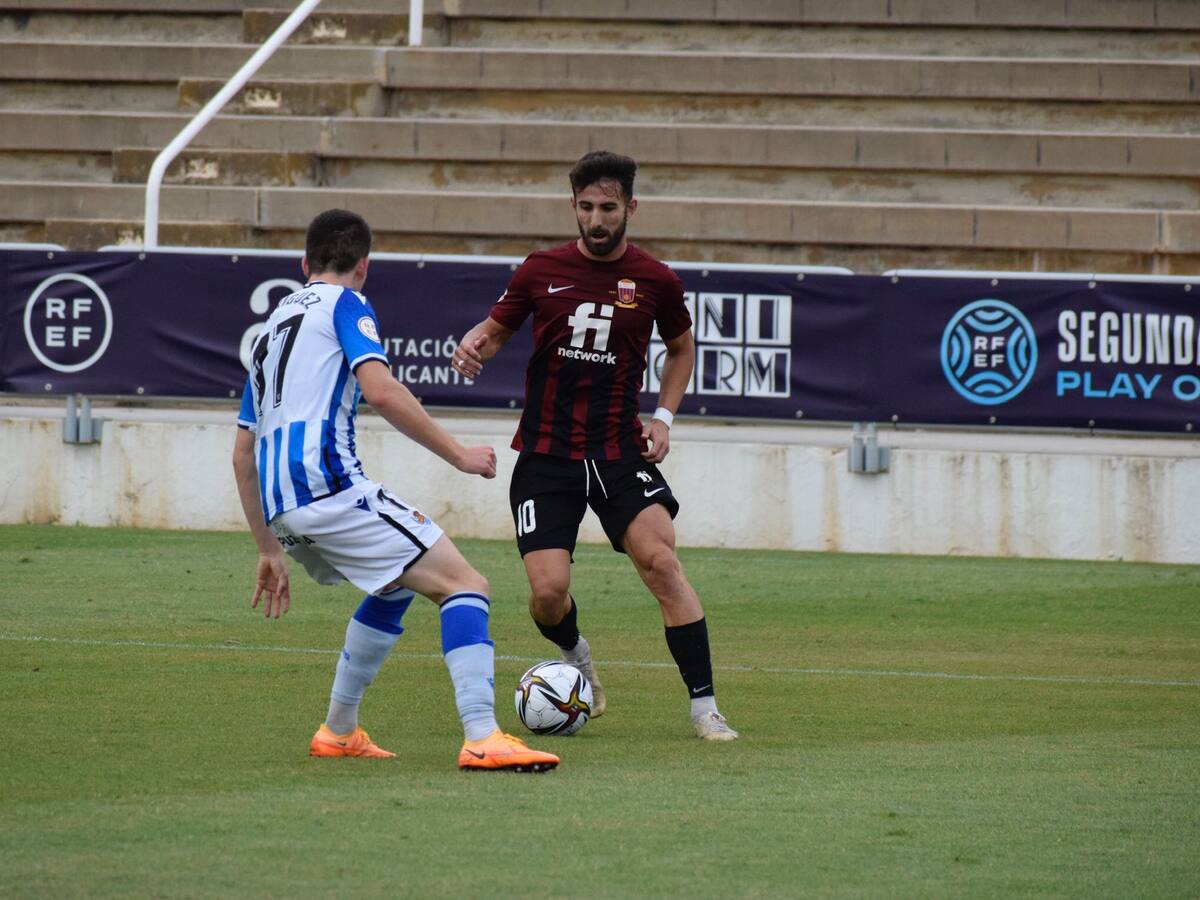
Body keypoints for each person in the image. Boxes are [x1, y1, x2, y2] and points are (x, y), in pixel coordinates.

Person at [231, 208, 560, 772]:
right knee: (465, 585)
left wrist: (266, 548)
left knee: (393, 586)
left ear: (303, 263)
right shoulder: (347, 304)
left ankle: (338, 730)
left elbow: (242, 452)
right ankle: (482, 734)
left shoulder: (268, 334)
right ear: (364, 266)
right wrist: (458, 455)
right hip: (328, 486)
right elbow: (381, 392)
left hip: (284, 506)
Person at [453, 152, 738, 741]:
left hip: (618, 451)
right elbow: (495, 330)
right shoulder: (540, 269)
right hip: (547, 454)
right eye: (586, 207)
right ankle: (577, 655)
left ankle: (705, 708)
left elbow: (681, 349)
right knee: (548, 595)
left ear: (630, 207)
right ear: (574, 207)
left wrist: (662, 416)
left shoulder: (657, 280)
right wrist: (472, 345)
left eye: (608, 207)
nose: (597, 219)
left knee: (662, 564)